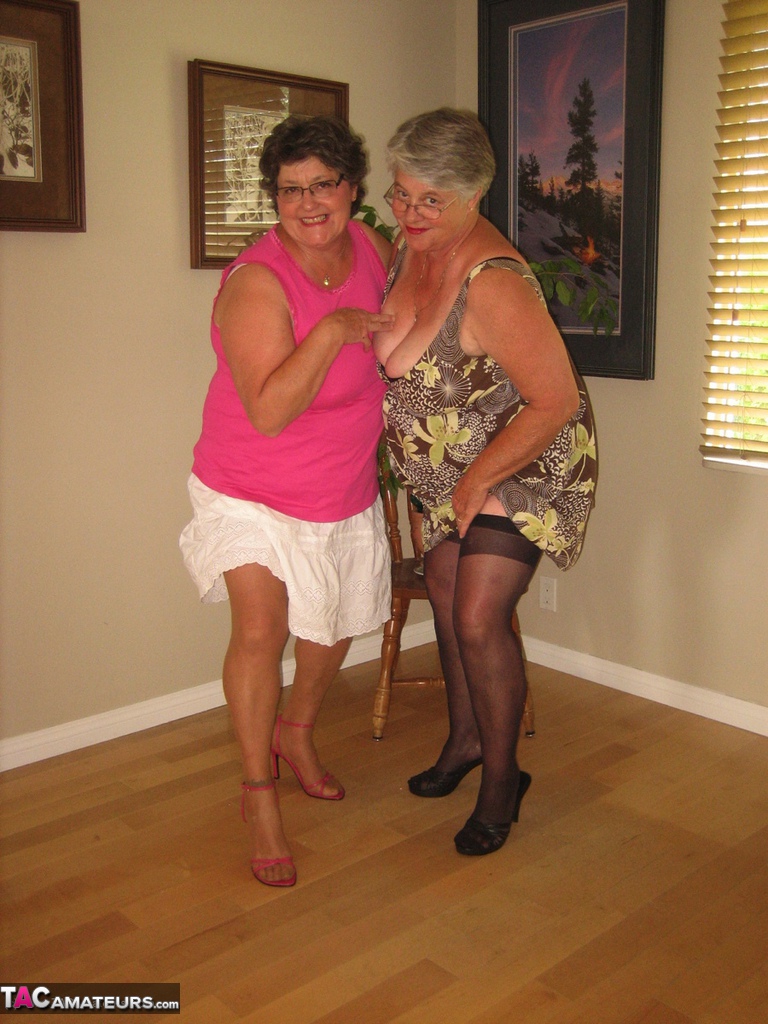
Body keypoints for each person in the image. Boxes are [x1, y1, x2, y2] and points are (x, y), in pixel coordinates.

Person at [374, 108, 597, 857]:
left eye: (431, 200)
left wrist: (474, 484)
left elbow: (555, 401)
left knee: (475, 616)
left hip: (524, 459)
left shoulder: (494, 282)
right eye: (402, 194)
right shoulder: (408, 251)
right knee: (444, 593)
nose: (411, 213)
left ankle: (503, 782)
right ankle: (465, 739)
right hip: (447, 466)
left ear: (476, 194)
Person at [180, 115, 394, 887]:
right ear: (274, 197)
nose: (307, 203)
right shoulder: (257, 283)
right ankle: (258, 792)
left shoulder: (372, 249)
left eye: (322, 185)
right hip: (251, 488)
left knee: (333, 627)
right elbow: (269, 411)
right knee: (262, 631)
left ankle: (296, 730)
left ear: (351, 188)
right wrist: (332, 332)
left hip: (342, 483)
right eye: (289, 189)